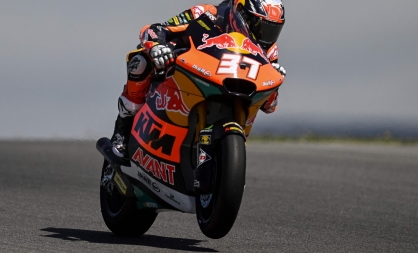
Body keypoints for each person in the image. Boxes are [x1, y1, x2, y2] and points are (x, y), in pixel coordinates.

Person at [111, 0, 287, 158]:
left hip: (231, 88)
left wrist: (275, 84)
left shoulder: (269, 50)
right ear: (239, 12)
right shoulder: (206, 13)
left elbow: (269, 106)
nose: (265, 36)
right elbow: (156, 29)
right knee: (140, 62)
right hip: (184, 70)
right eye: (259, 26)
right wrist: (157, 46)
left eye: (273, 30)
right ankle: (123, 130)